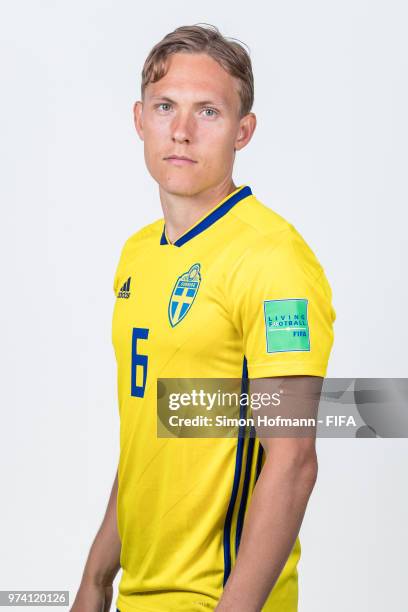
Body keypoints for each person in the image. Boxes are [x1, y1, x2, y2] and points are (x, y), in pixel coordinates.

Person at [71, 23, 335, 612]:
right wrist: (94, 581)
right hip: (140, 594)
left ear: (244, 131)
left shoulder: (273, 260)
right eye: (166, 107)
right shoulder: (137, 254)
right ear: (140, 119)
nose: (182, 132)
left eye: (208, 112)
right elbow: (150, 439)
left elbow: (292, 462)